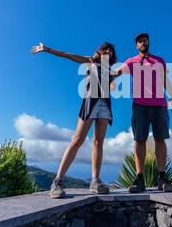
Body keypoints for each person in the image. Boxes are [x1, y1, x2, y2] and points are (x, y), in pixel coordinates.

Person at [31, 41, 117, 199]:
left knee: (98, 142)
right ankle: (57, 181)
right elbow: (68, 55)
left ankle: (95, 181)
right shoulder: (90, 61)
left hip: (104, 107)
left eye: (110, 51)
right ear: (99, 51)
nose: (108, 52)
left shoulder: (110, 70)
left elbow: (113, 81)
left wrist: (112, 83)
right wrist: (47, 49)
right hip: (90, 105)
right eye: (105, 49)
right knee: (77, 140)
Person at [113, 33, 172, 193]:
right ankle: (139, 179)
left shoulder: (159, 60)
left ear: (148, 43)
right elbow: (117, 72)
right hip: (140, 106)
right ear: (136, 45)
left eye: (145, 40)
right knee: (139, 140)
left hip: (159, 105)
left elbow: (165, 80)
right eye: (140, 41)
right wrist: (101, 73)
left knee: (160, 139)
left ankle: (162, 178)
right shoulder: (131, 61)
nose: (143, 42)